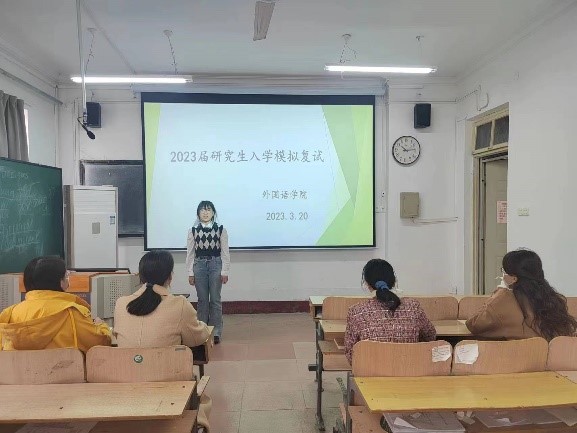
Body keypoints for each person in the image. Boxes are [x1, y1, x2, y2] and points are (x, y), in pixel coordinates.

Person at [114, 250, 211, 432]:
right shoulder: (179, 304)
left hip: (126, 383)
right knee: (202, 397)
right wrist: (205, 326)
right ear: (170, 276)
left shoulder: (121, 303)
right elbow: (197, 337)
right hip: (169, 385)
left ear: (140, 276)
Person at [0, 256, 111, 352]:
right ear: (61, 282)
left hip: (18, 371)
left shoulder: (8, 315)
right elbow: (100, 344)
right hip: (66, 371)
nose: (68, 279)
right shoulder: (72, 313)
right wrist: (101, 326)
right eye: (66, 275)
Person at [466, 249, 577, 340]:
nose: (503, 275)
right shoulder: (554, 299)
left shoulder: (503, 300)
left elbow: (473, 324)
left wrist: (500, 292)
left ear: (514, 278)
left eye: (504, 271)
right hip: (551, 358)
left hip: (516, 359)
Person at [344, 259, 436, 363]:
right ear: (394, 280)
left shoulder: (356, 311)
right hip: (410, 370)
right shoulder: (413, 307)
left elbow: (350, 354)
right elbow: (430, 336)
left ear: (367, 284)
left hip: (371, 371)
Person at [186, 200, 230, 344]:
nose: (205, 213)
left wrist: (225, 270)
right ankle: (202, 330)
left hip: (215, 264)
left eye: (208, 210)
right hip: (199, 265)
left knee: (215, 299)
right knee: (202, 300)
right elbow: (190, 254)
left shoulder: (220, 229)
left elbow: (225, 252)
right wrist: (190, 273)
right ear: (198, 213)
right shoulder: (193, 230)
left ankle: (216, 331)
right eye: (203, 210)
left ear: (213, 213)